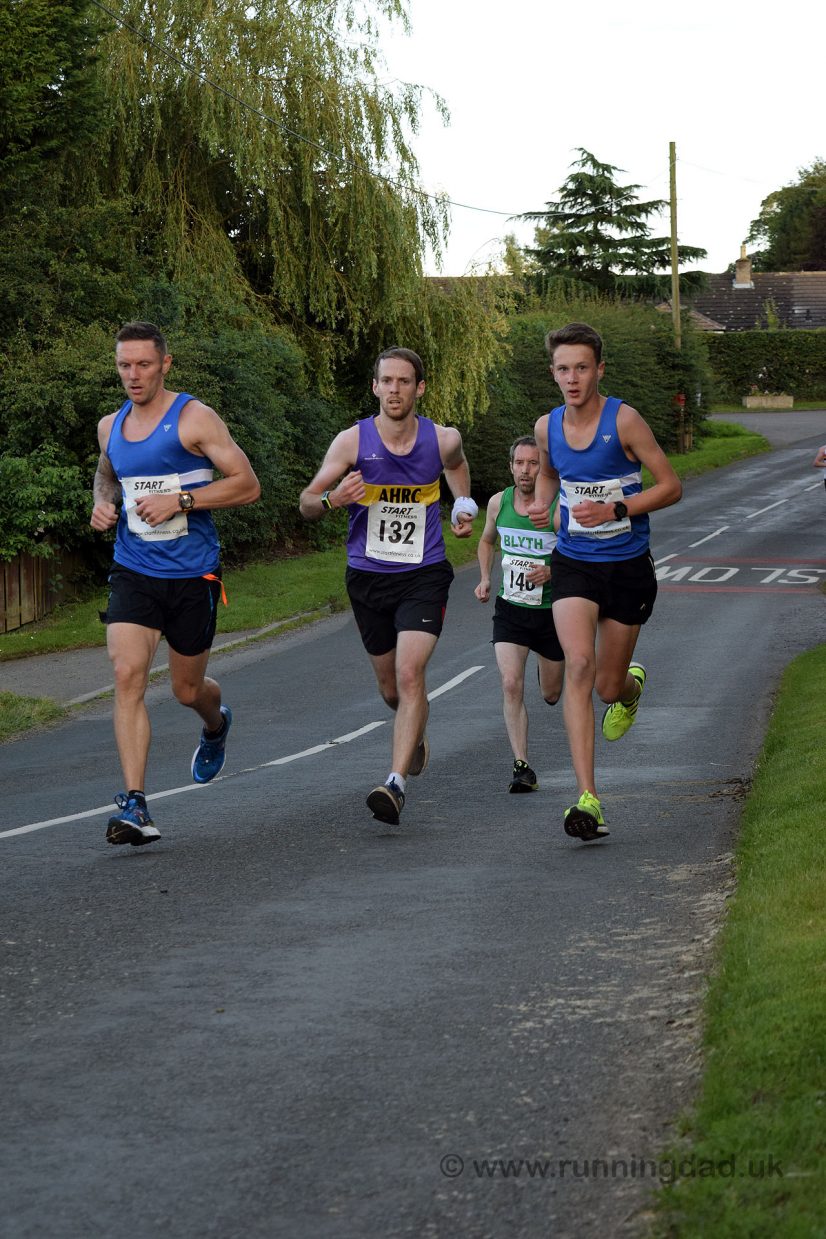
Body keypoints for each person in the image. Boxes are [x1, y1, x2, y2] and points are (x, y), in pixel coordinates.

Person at [90, 321, 261, 847]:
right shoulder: (109, 425)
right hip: (134, 569)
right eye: (124, 365)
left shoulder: (194, 418)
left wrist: (181, 501)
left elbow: (247, 485)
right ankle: (135, 804)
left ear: (165, 363)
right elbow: (107, 472)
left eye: (143, 364)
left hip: (193, 576)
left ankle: (215, 723)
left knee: (187, 689)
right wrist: (101, 503)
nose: (133, 375)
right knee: (127, 674)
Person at [299, 346, 476, 825]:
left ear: (419, 388)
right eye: (387, 381)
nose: (394, 389)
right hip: (367, 577)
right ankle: (413, 729)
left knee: (409, 674)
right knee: (390, 690)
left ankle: (394, 784)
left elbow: (458, 469)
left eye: (404, 381)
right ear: (375, 387)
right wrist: (335, 500)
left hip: (424, 574)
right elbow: (307, 501)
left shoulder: (441, 439)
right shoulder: (351, 442)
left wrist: (462, 504)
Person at [529, 322, 682, 842]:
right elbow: (549, 473)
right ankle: (588, 797)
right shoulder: (547, 427)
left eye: (582, 368)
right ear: (552, 373)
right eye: (563, 369)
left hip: (628, 566)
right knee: (578, 663)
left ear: (599, 370)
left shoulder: (626, 422)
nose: (572, 379)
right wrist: (546, 505)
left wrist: (617, 507)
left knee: (606, 685)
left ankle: (631, 689)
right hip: (574, 561)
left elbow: (671, 486)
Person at [474, 436, 564, 792]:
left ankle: (548, 670)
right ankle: (521, 766)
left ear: (542, 469)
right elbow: (485, 540)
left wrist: (552, 571)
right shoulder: (499, 502)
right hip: (510, 608)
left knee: (552, 696)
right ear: (510, 466)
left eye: (533, 463)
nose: (526, 470)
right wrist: (484, 577)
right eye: (520, 463)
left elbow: (578, 552)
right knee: (511, 683)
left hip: (552, 612)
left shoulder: (557, 506)